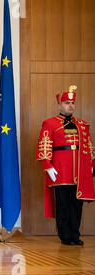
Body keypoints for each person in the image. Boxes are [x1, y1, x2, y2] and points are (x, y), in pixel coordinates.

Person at [36, 85, 95, 246]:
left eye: (72, 103)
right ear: (60, 105)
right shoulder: (49, 123)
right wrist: (47, 165)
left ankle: (75, 235)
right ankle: (65, 236)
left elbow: (89, 145)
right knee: (62, 204)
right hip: (61, 169)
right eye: (67, 102)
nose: (70, 105)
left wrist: (91, 164)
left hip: (80, 170)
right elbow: (45, 144)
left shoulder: (82, 125)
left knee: (77, 205)